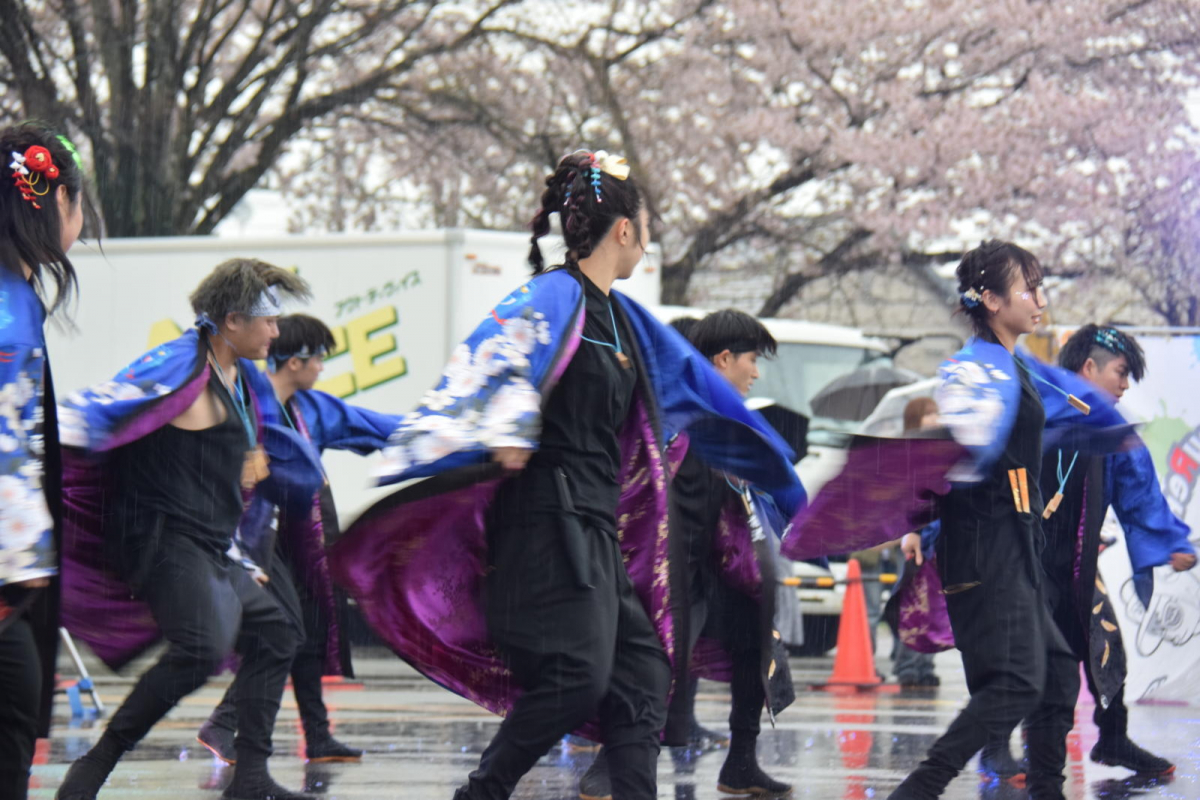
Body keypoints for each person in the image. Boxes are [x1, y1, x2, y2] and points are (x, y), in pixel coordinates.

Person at [326, 150, 805, 800]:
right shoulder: (552, 295)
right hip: (543, 524)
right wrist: (511, 422)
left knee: (644, 678)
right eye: (647, 225)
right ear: (626, 230)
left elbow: (695, 391)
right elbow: (490, 367)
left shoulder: (627, 320)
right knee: (577, 677)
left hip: (596, 527)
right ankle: (482, 791)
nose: (648, 239)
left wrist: (769, 465)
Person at [56, 260, 319, 800]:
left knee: (278, 633)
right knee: (203, 646)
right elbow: (95, 411)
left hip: (212, 545)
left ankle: (249, 777)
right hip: (162, 539)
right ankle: (96, 763)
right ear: (230, 321)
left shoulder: (244, 377)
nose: (276, 331)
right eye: (267, 321)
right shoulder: (180, 365)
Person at [887, 240, 1123, 800]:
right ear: (991, 298)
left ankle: (1046, 790)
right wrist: (922, 521)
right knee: (1016, 682)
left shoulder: (1013, 367)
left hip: (1014, 544)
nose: (1040, 299)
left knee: (1060, 668)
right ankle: (919, 788)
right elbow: (959, 460)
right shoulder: (970, 370)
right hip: (985, 545)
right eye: (1029, 288)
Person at [577, 309, 794, 800]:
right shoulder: (675, 415)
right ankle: (611, 765)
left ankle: (741, 763)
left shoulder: (728, 420)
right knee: (654, 668)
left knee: (753, 648)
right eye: (751, 361)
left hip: (727, 567)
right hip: (681, 568)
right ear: (723, 359)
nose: (755, 373)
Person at [975, 325, 1195, 779]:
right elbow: (979, 475)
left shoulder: (1112, 434)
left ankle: (1110, 738)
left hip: (1075, 569)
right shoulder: (1030, 412)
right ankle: (1001, 749)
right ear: (1088, 367)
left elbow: (1140, 495)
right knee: (1027, 661)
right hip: (1022, 565)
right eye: (1120, 372)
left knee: (1104, 647)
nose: (1125, 384)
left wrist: (1169, 542)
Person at [197, 314, 400, 765]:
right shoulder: (247, 406)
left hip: (306, 542)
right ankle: (225, 723)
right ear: (295, 362)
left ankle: (318, 734)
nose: (323, 367)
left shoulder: (312, 409)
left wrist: (446, 430)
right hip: (263, 543)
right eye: (319, 358)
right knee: (283, 632)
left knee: (305, 636)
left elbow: (375, 425)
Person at [0, 122, 86, 800]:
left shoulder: (16, 296)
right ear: (52, 205)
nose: (81, 224)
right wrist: (24, 558)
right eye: (78, 206)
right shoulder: (8, 306)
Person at [890, 398, 941, 688]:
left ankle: (925, 665)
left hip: (934, 536)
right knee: (912, 601)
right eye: (928, 414)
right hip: (912, 536)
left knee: (931, 604)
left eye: (936, 413)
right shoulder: (908, 451)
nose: (935, 419)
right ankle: (907, 665)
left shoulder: (940, 450)